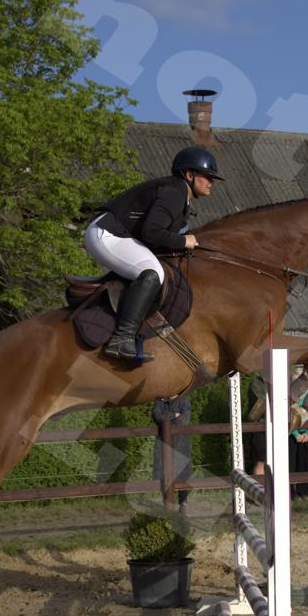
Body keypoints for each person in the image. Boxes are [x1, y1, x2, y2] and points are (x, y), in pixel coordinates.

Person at [82, 146, 222, 363]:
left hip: (117, 235)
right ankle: (122, 338)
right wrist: (184, 241)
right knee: (152, 271)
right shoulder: (175, 192)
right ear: (189, 174)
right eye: (207, 176)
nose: (211, 182)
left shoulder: (181, 197)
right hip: (106, 234)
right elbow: (152, 233)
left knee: (155, 267)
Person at [151, 396, 193, 510]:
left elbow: (184, 420)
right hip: (163, 442)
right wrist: (174, 415)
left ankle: (183, 503)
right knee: (163, 472)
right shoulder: (160, 401)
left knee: (182, 473)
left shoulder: (184, 400)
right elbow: (157, 417)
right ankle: (167, 503)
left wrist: (166, 419)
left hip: (181, 442)